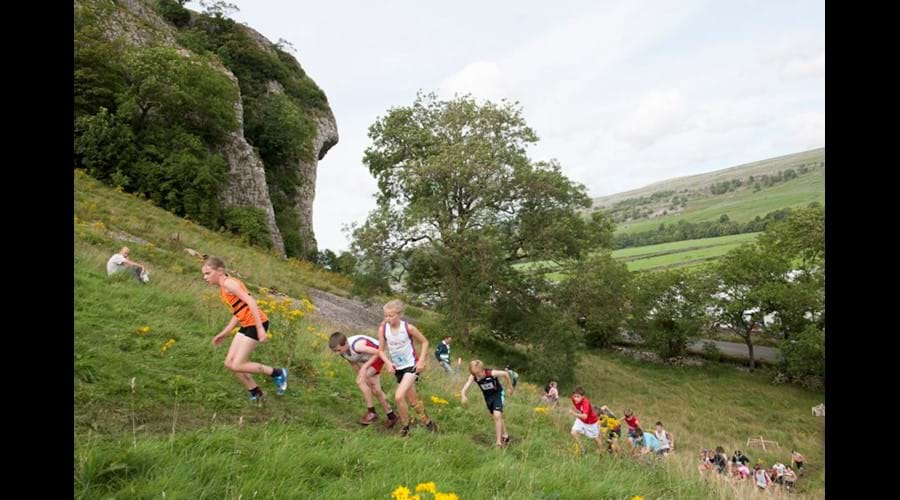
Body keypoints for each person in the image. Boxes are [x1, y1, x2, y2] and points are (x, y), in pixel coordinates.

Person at [202, 256, 287, 402]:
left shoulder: (229, 283)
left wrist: (260, 328)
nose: (205, 277)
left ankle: (278, 373)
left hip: (256, 323)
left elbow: (251, 301)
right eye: (204, 274)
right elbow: (239, 311)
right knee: (230, 363)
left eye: (208, 273)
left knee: (238, 364)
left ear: (220, 271)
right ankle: (256, 392)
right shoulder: (223, 288)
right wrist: (224, 333)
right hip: (247, 324)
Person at [376, 299, 437, 437]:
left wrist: (421, 361)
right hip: (398, 368)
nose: (387, 319)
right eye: (385, 315)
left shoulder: (408, 328)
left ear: (399, 315)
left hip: (411, 366)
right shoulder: (383, 329)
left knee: (398, 396)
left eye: (391, 316)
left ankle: (405, 428)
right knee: (413, 400)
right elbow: (380, 350)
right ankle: (428, 423)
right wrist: (387, 363)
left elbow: (425, 342)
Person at [329, 332, 398, 427]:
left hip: (378, 356)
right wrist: (364, 377)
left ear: (345, 343)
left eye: (338, 350)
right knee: (375, 390)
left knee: (359, 381)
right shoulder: (343, 352)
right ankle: (391, 416)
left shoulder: (357, 346)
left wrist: (364, 369)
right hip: (370, 361)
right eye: (335, 351)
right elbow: (353, 364)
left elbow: (378, 352)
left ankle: (371, 412)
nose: (337, 353)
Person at [460, 360, 515, 447]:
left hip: (498, 394)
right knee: (497, 416)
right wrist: (463, 396)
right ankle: (506, 436)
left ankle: (498, 443)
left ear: (483, 370)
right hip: (488, 398)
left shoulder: (491, 373)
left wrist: (510, 387)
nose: (477, 376)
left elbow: (505, 374)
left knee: (497, 415)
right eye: (474, 374)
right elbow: (464, 388)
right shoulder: (473, 377)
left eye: (478, 373)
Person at [568, 387, 604, 453]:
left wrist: (574, 413)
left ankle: (601, 451)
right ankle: (583, 449)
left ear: (583, 397)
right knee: (573, 432)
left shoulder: (586, 402)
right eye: (575, 396)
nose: (575, 398)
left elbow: (585, 416)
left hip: (591, 422)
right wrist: (578, 412)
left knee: (596, 438)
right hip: (581, 420)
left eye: (578, 397)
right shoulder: (573, 399)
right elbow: (577, 408)